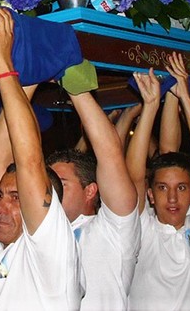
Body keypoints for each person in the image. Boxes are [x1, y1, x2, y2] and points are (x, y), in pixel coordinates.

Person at [0, 5, 84, 309]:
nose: (0, 207)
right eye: (1, 195)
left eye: (17, 197)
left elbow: (30, 160)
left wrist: (4, 64)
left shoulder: (50, 252)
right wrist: (26, 81)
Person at [125, 53, 190, 310]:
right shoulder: (140, 228)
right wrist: (150, 107)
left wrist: (186, 98)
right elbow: (133, 175)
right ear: (150, 194)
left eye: (181, 188)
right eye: (162, 188)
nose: (171, 198)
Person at [45, 84, 140, 310]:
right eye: (49, 185)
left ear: (90, 191)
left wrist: (74, 84)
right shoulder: (43, 231)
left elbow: (109, 153)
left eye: (62, 185)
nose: (52, 192)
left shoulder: (111, 231)